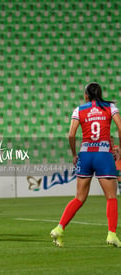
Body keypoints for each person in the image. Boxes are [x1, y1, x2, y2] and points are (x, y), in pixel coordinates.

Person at [50, 82, 121, 247]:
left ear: (86, 96)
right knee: (111, 197)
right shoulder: (110, 108)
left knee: (79, 197)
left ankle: (59, 229)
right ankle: (111, 234)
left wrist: (75, 154)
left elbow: (71, 134)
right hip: (103, 154)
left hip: (86, 154)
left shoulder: (79, 110)